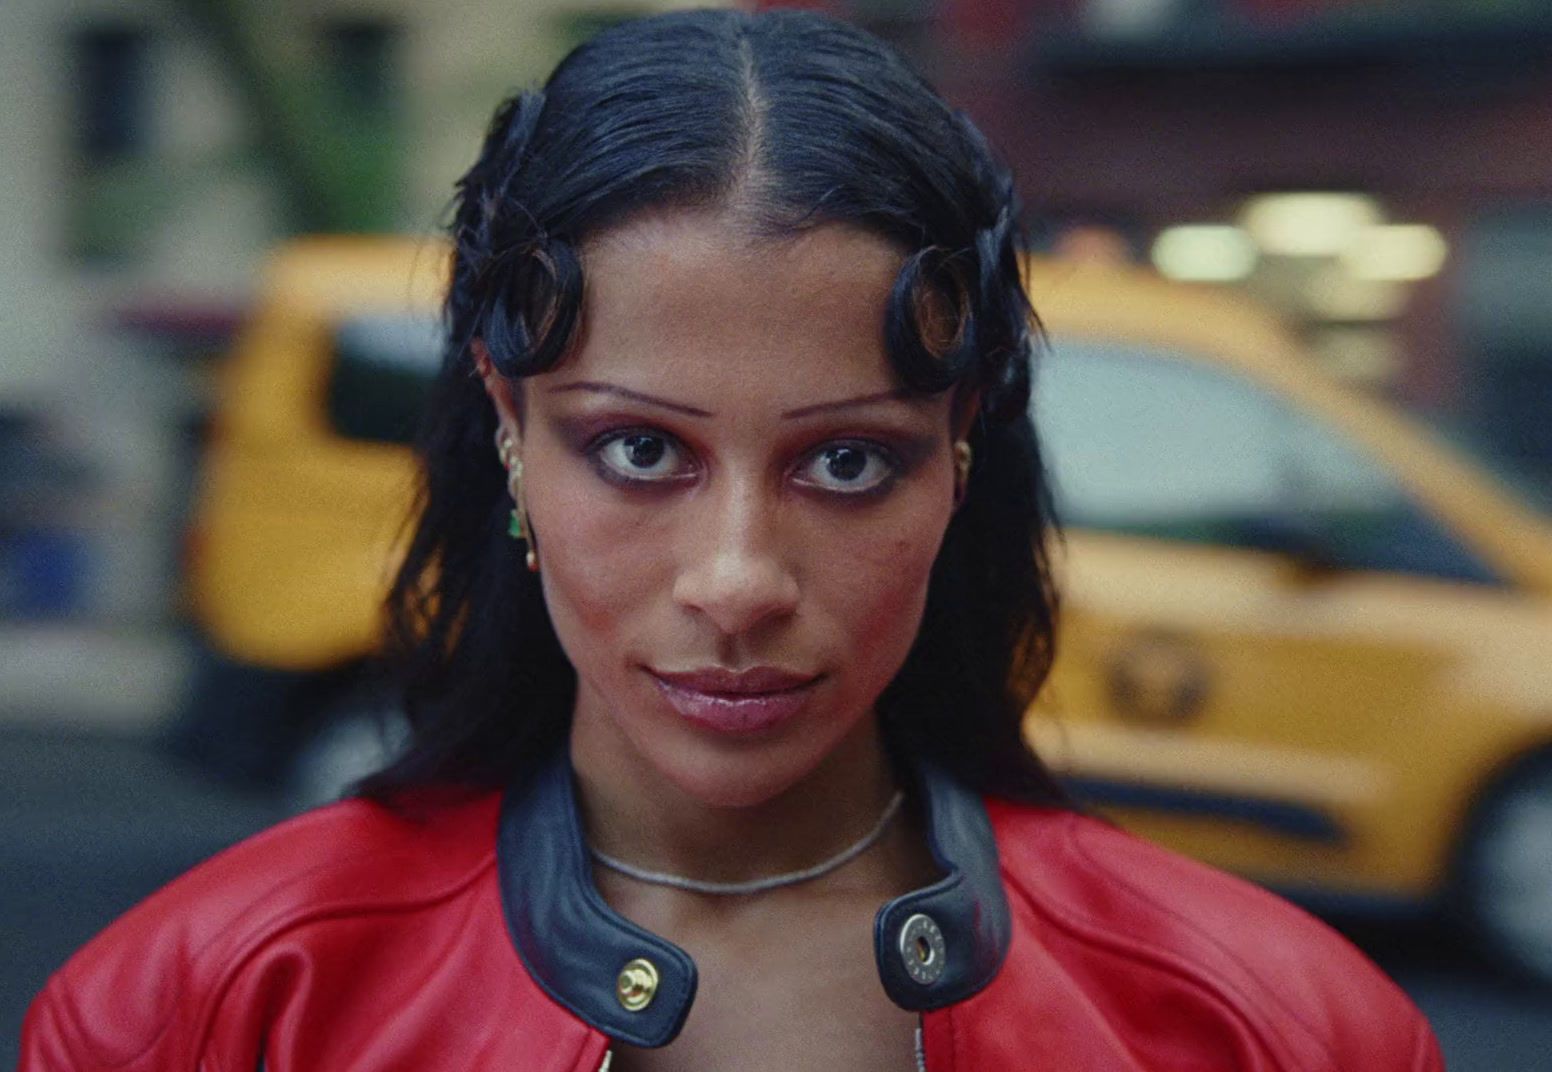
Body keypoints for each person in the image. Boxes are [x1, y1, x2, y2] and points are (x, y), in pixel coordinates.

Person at [22, 9, 1442, 1071]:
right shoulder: (201, 1004)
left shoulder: (1273, 1026)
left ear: (961, 453)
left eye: (845, 459)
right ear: (511, 428)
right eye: (641, 450)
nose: (740, 580)